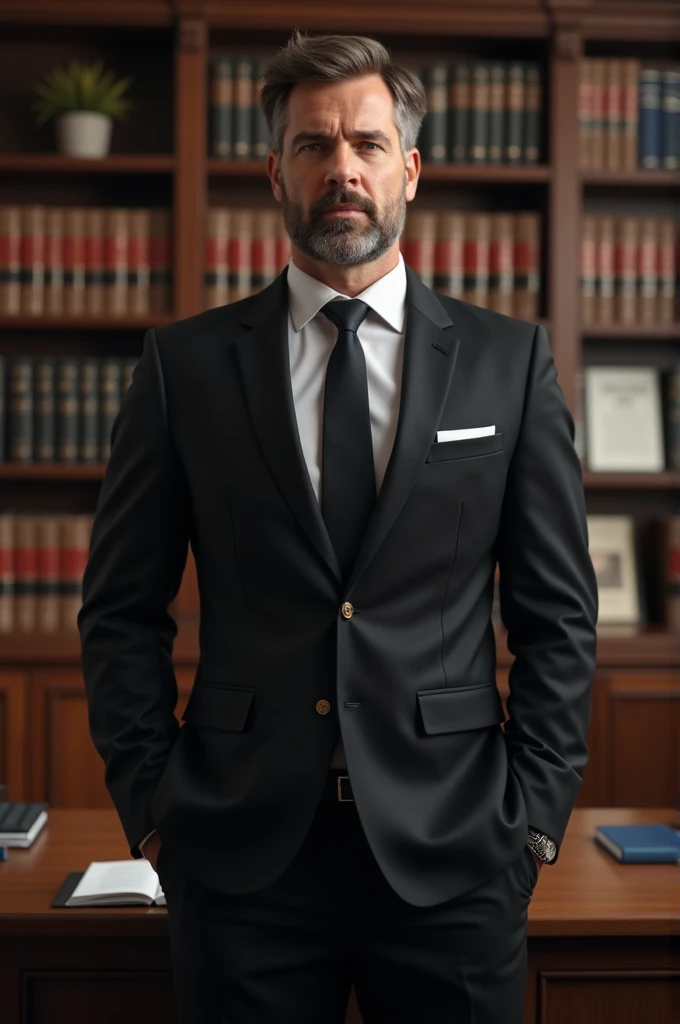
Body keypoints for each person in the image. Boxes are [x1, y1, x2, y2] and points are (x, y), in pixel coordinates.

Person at [78, 29, 598, 1024]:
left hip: (455, 851)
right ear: (275, 172)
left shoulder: (507, 363)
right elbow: (119, 608)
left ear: (409, 167)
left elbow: (557, 615)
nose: (341, 168)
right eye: (314, 146)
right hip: (239, 861)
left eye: (365, 143)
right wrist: (154, 814)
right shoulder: (182, 367)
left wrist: (529, 819)